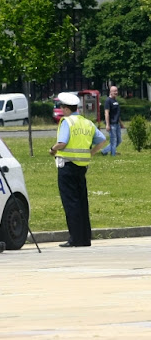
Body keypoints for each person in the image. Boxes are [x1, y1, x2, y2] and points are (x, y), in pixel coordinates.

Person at [49, 92, 106, 248]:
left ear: (66, 109)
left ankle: (74, 238)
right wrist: (90, 153)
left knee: (70, 203)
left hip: (67, 166)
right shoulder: (87, 123)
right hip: (82, 167)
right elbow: (102, 140)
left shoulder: (67, 122)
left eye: (62, 107)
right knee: (82, 202)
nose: (61, 110)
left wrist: (52, 149)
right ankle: (85, 238)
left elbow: (62, 142)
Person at [101, 86, 124, 156]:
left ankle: (104, 151)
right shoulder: (108, 101)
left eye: (116, 91)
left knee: (119, 140)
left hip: (117, 123)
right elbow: (106, 113)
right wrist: (107, 124)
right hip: (112, 124)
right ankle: (113, 155)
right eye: (114, 91)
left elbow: (117, 114)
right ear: (110, 92)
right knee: (113, 141)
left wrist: (121, 123)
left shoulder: (116, 101)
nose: (116, 92)